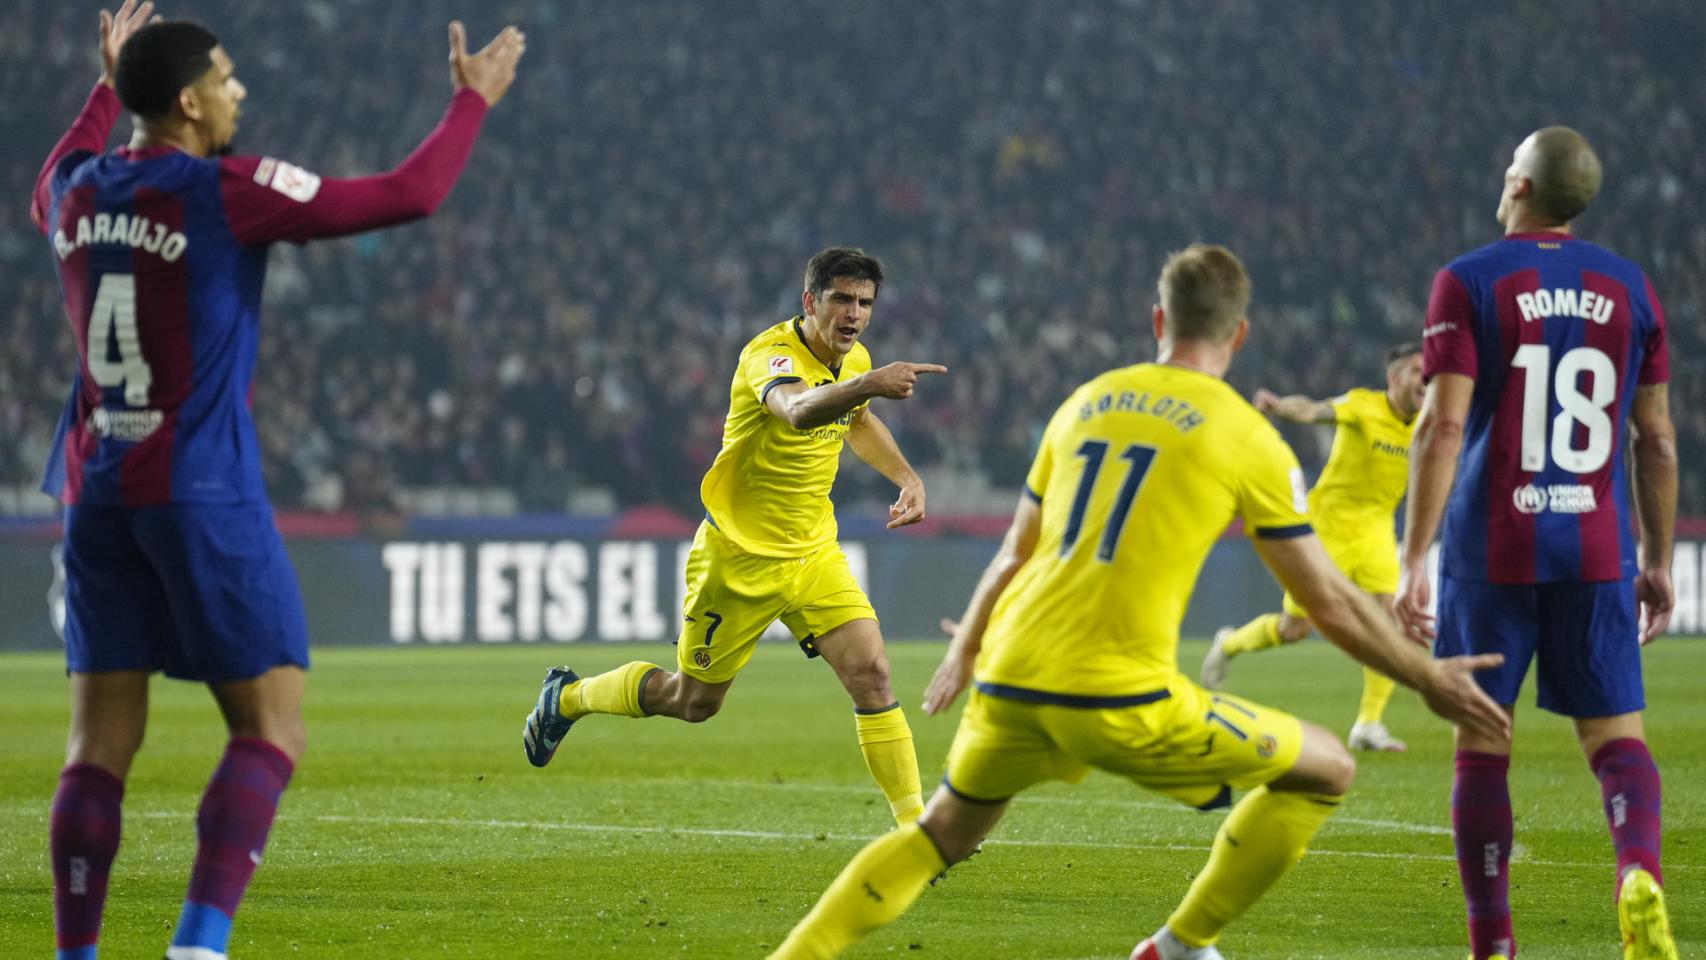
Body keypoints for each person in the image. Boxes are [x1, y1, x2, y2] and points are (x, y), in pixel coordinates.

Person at [767, 244, 1510, 960]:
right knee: (1326, 769)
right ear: (1239, 334)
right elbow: (1332, 606)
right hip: (1117, 695)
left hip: (1011, 675)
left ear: (1159, 320)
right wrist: (1428, 677)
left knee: (938, 837)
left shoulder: (1084, 404)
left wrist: (967, 652)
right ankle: (1180, 945)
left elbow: (1013, 554)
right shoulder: (1247, 437)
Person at [33, 6, 524, 959]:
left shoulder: (75, 193)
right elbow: (409, 193)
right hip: (200, 491)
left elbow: (52, 175)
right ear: (188, 103)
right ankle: (198, 946)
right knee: (270, 729)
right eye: (224, 78)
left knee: (96, 749)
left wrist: (106, 85)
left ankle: (73, 953)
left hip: (95, 494)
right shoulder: (228, 188)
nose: (239, 91)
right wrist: (470, 103)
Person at [523, 247, 945, 829]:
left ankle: (915, 831)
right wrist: (868, 382)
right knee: (692, 702)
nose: (854, 314)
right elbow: (798, 410)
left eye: (865, 303)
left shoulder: (855, 360)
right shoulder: (768, 356)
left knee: (872, 673)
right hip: (738, 559)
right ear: (810, 301)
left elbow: (859, 420)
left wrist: (908, 478)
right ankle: (568, 698)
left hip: (813, 553)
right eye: (842, 299)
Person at [1395, 127, 1678, 960]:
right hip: (1593, 546)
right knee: (1616, 740)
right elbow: (1657, 440)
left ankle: (1494, 943)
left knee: (1483, 744)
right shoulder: (1631, 286)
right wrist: (1657, 560)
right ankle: (1637, 871)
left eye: (1509, 164)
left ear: (1519, 185)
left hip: (1493, 547)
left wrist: (1413, 558)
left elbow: (1442, 426)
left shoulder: (1469, 279)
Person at [1201, 343, 1426, 752]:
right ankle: (1228, 643)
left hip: (1376, 530)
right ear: (1394, 379)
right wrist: (1281, 408)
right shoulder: (1362, 406)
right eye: (1415, 372)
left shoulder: (1428, 422)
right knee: (1295, 629)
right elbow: (1314, 410)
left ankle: (1369, 724)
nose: (1424, 380)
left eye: (1428, 373)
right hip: (1328, 528)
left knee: (1388, 624)